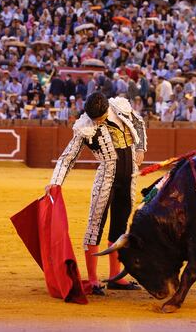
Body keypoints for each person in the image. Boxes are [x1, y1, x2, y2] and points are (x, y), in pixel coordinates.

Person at [45, 91, 147, 295]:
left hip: (129, 178)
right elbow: (67, 158)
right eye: (95, 119)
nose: (97, 122)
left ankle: (115, 277)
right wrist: (55, 182)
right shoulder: (85, 126)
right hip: (106, 179)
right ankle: (92, 279)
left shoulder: (119, 107)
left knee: (120, 225)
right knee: (95, 226)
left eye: (100, 118)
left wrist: (140, 148)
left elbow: (138, 122)